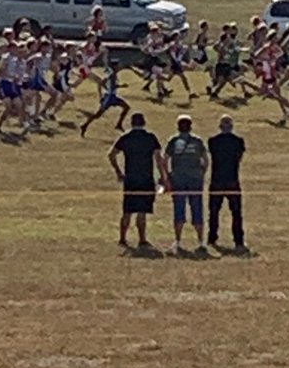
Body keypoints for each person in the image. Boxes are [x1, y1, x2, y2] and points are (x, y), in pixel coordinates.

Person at [107, 111, 168, 249]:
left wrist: (118, 172)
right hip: (146, 178)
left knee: (127, 210)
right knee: (142, 211)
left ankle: (122, 238)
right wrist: (163, 177)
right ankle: (142, 239)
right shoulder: (150, 137)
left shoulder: (126, 137)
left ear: (131, 123)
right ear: (144, 123)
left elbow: (111, 154)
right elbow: (158, 158)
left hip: (130, 179)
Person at [164, 113, 208, 254]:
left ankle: (178, 241)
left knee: (179, 210)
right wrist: (201, 173)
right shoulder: (197, 141)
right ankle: (201, 242)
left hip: (178, 180)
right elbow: (206, 160)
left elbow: (165, 160)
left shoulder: (173, 141)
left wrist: (168, 176)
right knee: (197, 209)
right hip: (195, 179)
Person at [207, 114, 247, 252]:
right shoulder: (238, 141)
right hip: (232, 180)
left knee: (213, 212)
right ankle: (239, 240)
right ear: (231, 126)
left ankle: (212, 238)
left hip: (216, 180)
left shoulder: (213, 141)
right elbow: (239, 157)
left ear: (220, 126)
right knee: (236, 213)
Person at [80, 57, 130, 137]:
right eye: (117, 66)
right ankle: (84, 125)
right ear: (115, 67)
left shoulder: (112, 74)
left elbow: (102, 82)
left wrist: (104, 90)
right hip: (110, 97)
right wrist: (121, 86)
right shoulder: (113, 75)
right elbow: (112, 86)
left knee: (126, 107)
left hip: (110, 96)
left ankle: (119, 124)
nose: (119, 67)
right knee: (98, 114)